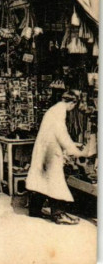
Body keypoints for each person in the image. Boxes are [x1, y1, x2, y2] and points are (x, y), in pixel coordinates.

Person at [26, 90, 89, 225]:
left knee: (42, 180)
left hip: (45, 150)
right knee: (56, 182)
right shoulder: (59, 112)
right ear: (72, 102)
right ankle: (58, 214)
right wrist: (76, 151)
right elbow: (62, 135)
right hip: (50, 153)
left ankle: (34, 210)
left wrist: (72, 144)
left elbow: (56, 133)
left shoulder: (53, 110)